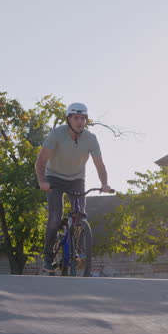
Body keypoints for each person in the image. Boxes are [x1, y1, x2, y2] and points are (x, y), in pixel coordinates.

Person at [35, 102, 111, 272]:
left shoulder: (90, 139)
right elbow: (40, 162)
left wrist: (104, 183)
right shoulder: (56, 135)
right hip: (54, 178)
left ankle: (79, 250)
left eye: (83, 118)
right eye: (76, 118)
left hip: (76, 179)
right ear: (68, 119)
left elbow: (99, 164)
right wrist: (42, 181)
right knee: (55, 216)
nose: (80, 122)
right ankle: (48, 256)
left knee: (81, 214)